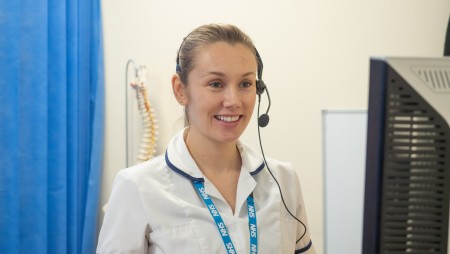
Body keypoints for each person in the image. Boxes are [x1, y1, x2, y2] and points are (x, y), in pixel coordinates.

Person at [97, 23, 315, 254]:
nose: (233, 100)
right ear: (181, 90)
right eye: (216, 84)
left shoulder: (283, 179)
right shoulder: (137, 187)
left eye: (245, 84)